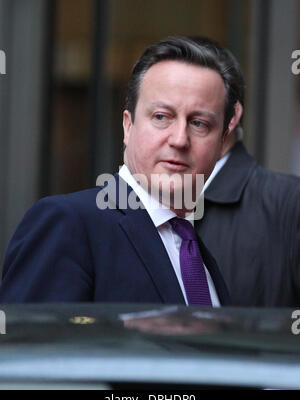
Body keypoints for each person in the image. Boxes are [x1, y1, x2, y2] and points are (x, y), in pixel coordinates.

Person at [0, 36, 242, 305]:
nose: (180, 139)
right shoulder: (68, 224)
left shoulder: (196, 251)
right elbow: (32, 345)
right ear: (128, 126)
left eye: (199, 123)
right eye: (161, 117)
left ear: (222, 142)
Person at [193, 42, 300, 307]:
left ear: (231, 118)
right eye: (162, 115)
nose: (175, 134)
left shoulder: (289, 204)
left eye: (196, 117)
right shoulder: (129, 206)